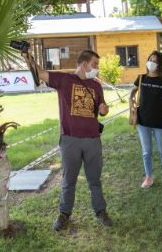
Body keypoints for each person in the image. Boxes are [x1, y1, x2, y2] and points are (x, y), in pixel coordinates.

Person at [23, 49, 112, 231]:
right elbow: (40, 73)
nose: (97, 69)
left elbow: (102, 109)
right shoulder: (64, 80)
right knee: (68, 180)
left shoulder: (96, 86)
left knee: (94, 180)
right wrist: (27, 56)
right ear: (84, 64)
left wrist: (104, 109)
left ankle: (100, 212)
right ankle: (64, 215)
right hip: (70, 139)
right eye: (94, 65)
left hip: (92, 140)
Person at [130, 51, 162, 188]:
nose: (151, 62)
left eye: (155, 61)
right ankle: (148, 177)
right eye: (150, 59)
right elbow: (133, 91)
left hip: (159, 122)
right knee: (146, 151)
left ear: (160, 64)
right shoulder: (141, 78)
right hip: (143, 121)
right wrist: (131, 98)